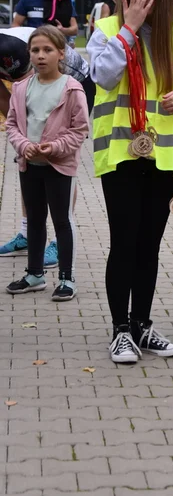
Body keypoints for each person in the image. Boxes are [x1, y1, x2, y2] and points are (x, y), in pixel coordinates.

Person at [88, 0, 173, 364]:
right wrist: (129, 30)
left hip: (162, 157)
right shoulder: (105, 30)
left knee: (148, 246)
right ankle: (120, 330)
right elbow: (100, 76)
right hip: (119, 154)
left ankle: (142, 325)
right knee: (124, 243)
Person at [5, 26, 89, 300]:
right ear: (28, 54)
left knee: (62, 221)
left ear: (61, 53)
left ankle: (67, 278)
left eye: (47, 50)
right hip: (29, 166)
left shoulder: (72, 89)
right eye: (35, 50)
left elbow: (79, 130)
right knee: (35, 220)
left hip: (59, 166)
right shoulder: (20, 88)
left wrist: (54, 147)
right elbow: (12, 124)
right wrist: (24, 145)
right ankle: (35, 274)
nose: (41, 56)